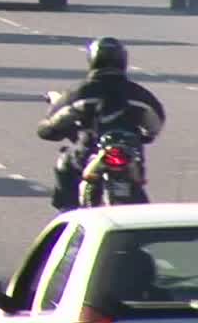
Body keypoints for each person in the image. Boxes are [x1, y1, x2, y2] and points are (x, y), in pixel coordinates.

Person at [38, 37, 165, 211]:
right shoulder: (138, 93)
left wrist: (51, 130)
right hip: (130, 153)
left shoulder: (81, 92)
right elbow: (156, 123)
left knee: (64, 166)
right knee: (138, 191)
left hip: (88, 152)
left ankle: (66, 213)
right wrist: (146, 136)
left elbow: (51, 125)